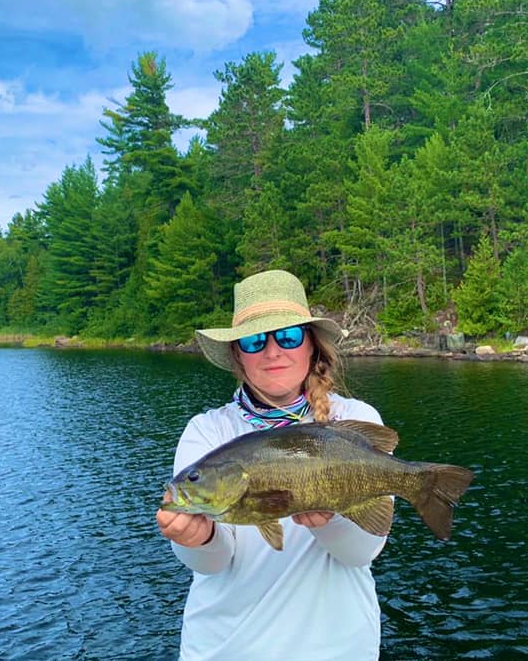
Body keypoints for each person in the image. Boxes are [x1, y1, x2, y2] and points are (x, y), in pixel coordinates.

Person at [156, 269, 388, 661]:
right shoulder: (208, 432)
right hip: (225, 650)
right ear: (237, 355)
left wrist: (331, 520)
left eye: (289, 335)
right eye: (253, 340)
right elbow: (213, 564)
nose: (272, 350)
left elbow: (361, 553)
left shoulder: (355, 420)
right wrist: (196, 540)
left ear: (311, 345)